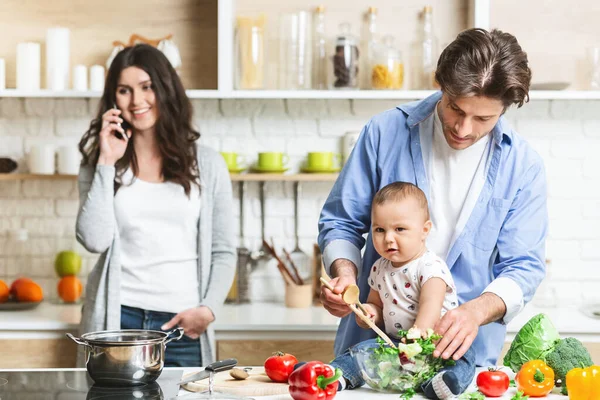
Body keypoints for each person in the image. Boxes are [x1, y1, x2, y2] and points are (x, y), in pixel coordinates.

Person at [318, 28, 548, 369]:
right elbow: (341, 222)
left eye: (483, 118)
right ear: (440, 83)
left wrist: (476, 310)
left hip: (463, 356)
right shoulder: (383, 133)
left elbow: (524, 266)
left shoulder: (523, 166)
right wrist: (345, 276)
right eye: (455, 108)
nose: (464, 129)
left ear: (505, 109)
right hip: (369, 350)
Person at [76, 44, 236, 367]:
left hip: (183, 327)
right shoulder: (100, 164)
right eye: (124, 90)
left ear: (165, 89)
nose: (137, 101)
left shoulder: (208, 164)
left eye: (147, 87)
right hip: (117, 321)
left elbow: (223, 250)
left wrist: (208, 310)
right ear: (113, 99)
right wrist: (107, 160)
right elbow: (93, 239)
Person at [328, 182, 475, 399]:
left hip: (436, 343)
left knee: (462, 358)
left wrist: (417, 339)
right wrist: (368, 314)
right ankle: (336, 374)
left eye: (399, 229)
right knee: (362, 350)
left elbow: (430, 307)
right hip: (395, 344)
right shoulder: (379, 268)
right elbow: (376, 305)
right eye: (379, 229)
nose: (388, 238)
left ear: (424, 230)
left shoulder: (430, 266)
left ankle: (442, 382)